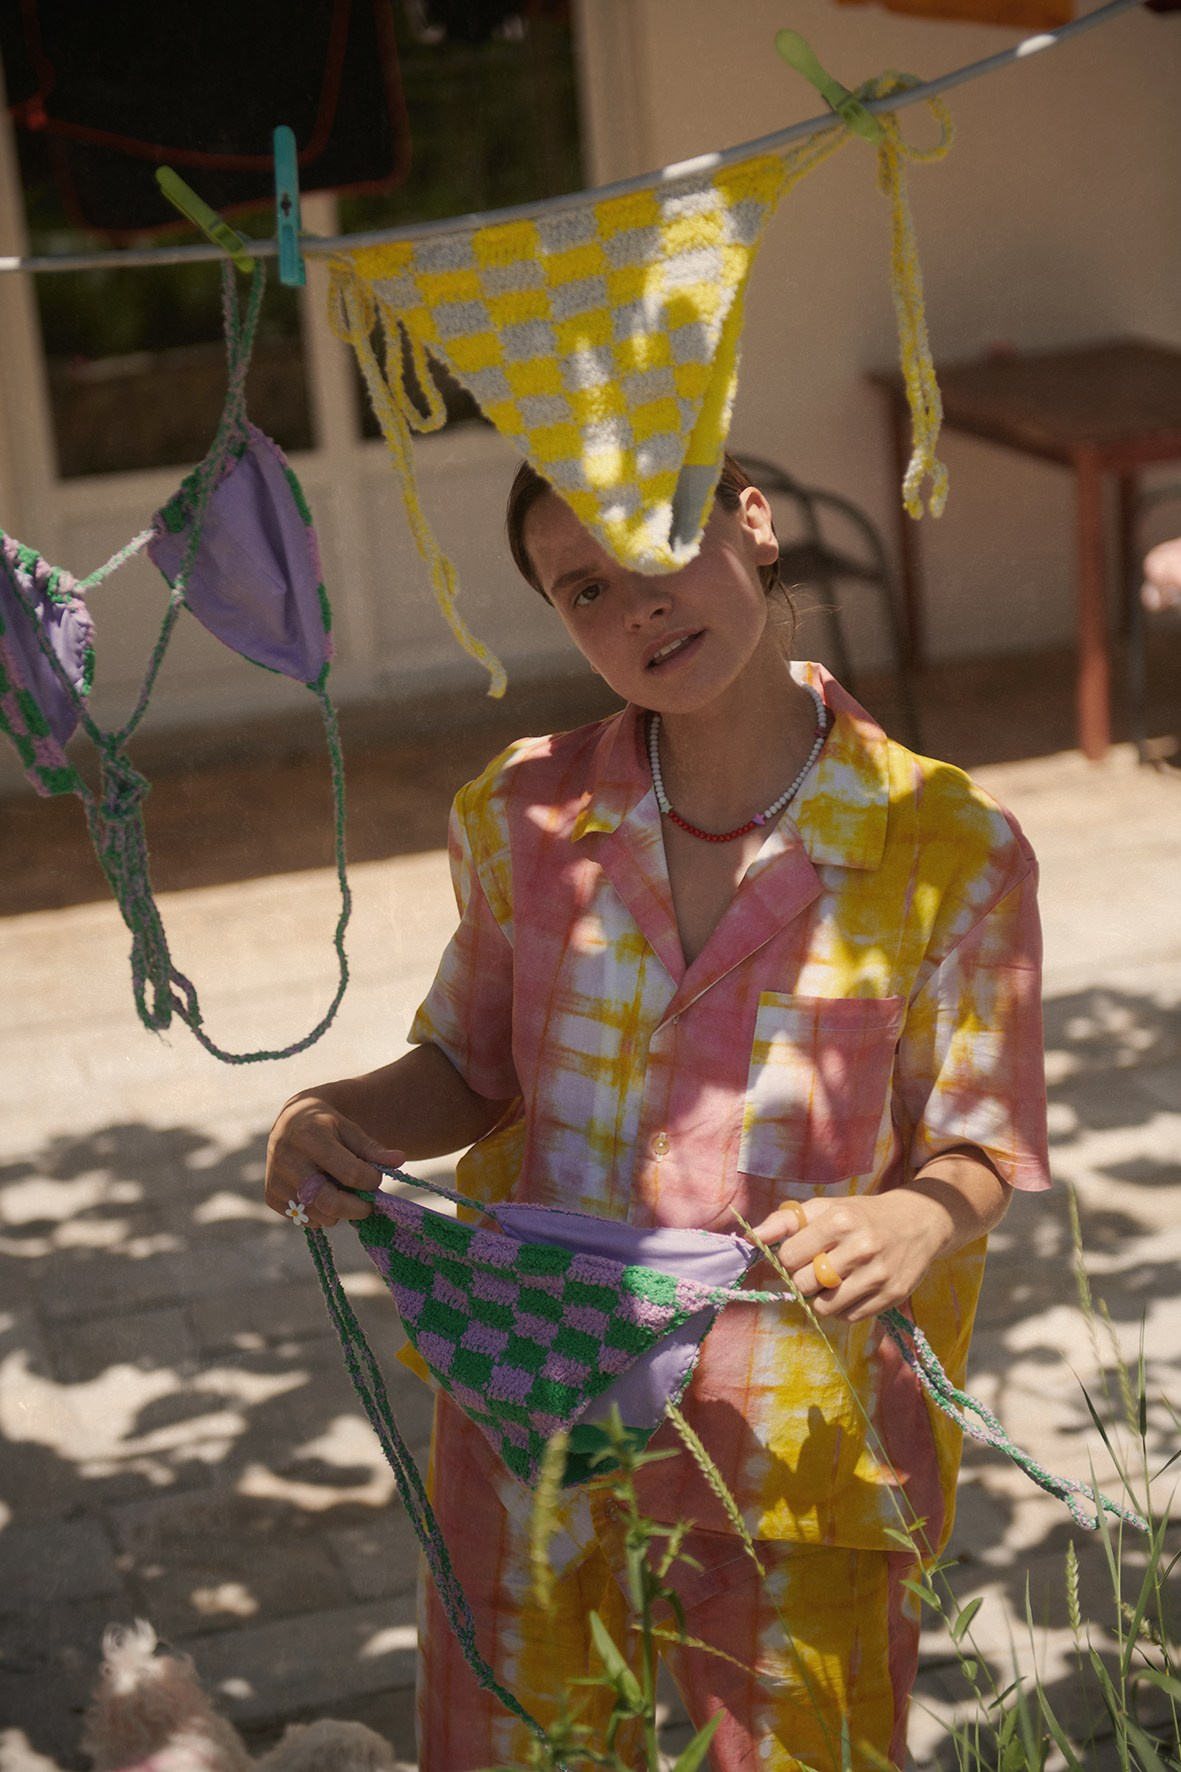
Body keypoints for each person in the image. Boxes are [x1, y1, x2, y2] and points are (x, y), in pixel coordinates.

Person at [265, 455, 1050, 1772]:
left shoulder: (950, 843)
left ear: (751, 521)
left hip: (803, 1441)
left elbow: (982, 1140)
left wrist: (918, 1218)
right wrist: (335, 1115)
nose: (633, 606)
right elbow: (468, 1064)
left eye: (650, 548)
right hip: (538, 1424)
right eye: (582, 588)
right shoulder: (523, 811)